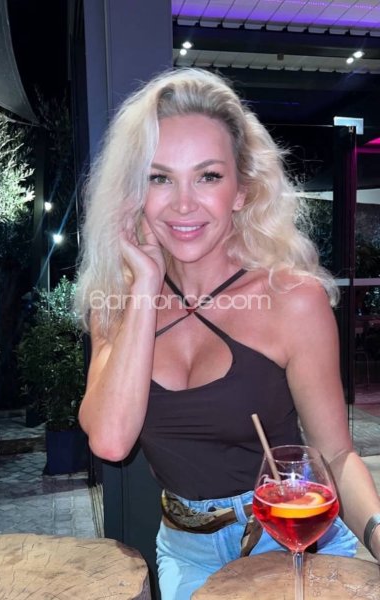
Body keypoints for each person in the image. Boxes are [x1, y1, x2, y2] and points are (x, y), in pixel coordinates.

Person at [76, 68, 380, 599]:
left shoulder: (293, 299)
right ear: (134, 193)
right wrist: (144, 284)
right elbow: (111, 439)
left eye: (208, 176)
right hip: (186, 551)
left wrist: (378, 534)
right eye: (159, 177)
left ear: (241, 191)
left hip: (293, 536)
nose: (184, 203)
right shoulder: (116, 305)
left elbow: (335, 454)